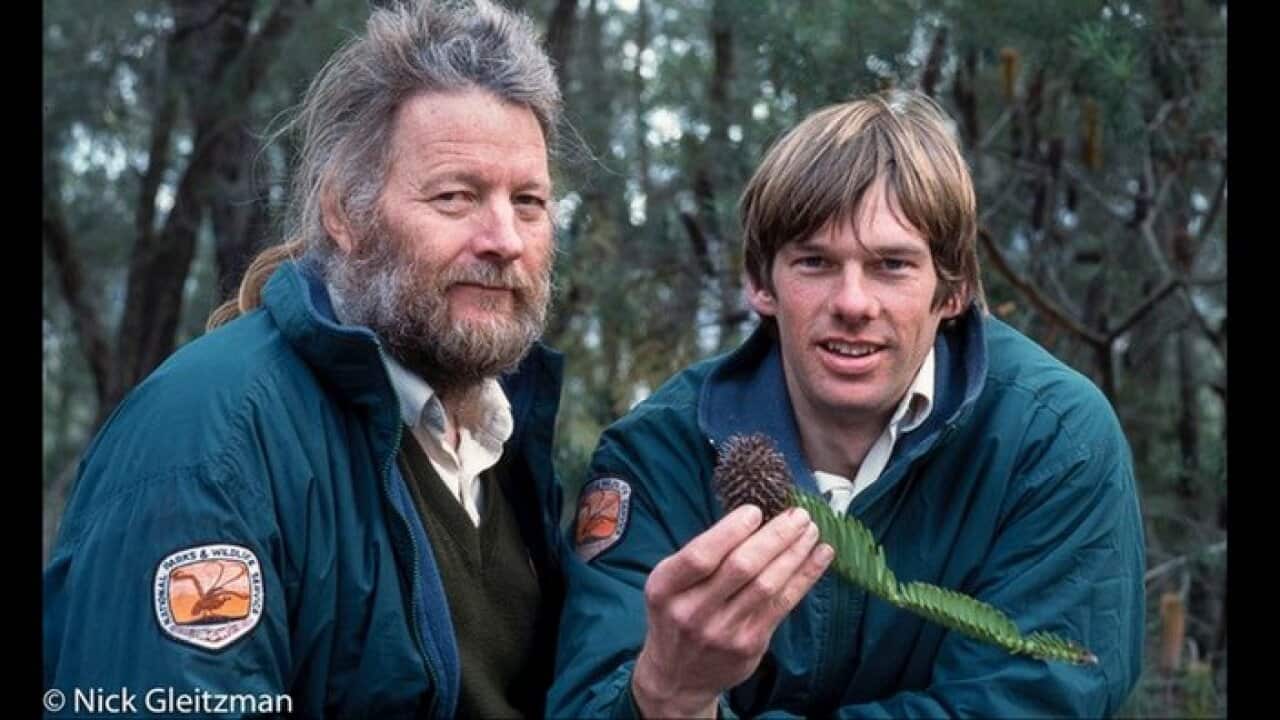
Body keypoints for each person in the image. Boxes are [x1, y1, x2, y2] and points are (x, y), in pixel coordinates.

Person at [549, 88, 1145, 718]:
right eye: (815, 261)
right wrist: (659, 694)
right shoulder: (659, 455)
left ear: (954, 291)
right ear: (760, 283)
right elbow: (589, 696)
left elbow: (1035, 703)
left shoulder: (1052, 442)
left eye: (891, 265)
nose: (854, 303)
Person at [43, 1, 568, 717]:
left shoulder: (504, 445)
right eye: (456, 196)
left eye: (529, 201)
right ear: (345, 216)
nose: (504, 238)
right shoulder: (209, 444)